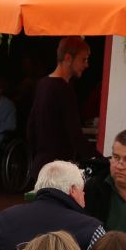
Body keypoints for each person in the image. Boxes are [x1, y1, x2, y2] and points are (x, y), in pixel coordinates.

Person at [26, 36, 89, 174]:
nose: (86, 65)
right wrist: (97, 159)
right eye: (83, 59)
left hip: (40, 164)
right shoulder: (64, 89)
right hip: (58, 169)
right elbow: (75, 133)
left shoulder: (42, 83)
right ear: (68, 58)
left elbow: (31, 127)